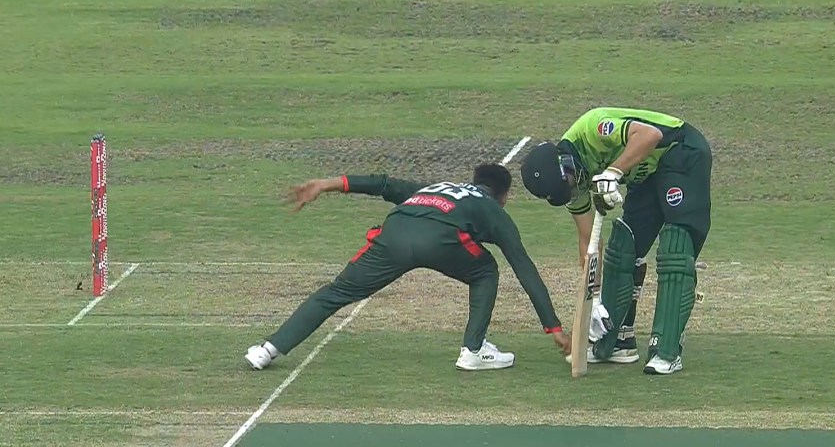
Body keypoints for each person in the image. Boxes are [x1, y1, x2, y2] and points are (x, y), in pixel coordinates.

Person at [245, 164, 572, 371]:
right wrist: (553, 328)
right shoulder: (494, 209)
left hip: (394, 235)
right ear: (504, 196)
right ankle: (473, 350)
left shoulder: (435, 188)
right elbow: (524, 267)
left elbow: (383, 184)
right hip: (441, 242)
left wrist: (326, 184)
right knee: (485, 270)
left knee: (335, 293)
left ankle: (267, 350)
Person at [519, 107, 712, 375]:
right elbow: (589, 241)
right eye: (568, 192)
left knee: (675, 247)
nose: (576, 190)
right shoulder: (570, 187)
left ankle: (666, 351)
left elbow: (650, 135)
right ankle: (619, 341)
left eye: (572, 184)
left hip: (679, 150)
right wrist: (595, 298)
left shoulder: (593, 128)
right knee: (622, 248)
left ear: (566, 162)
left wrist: (613, 172)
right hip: (644, 173)